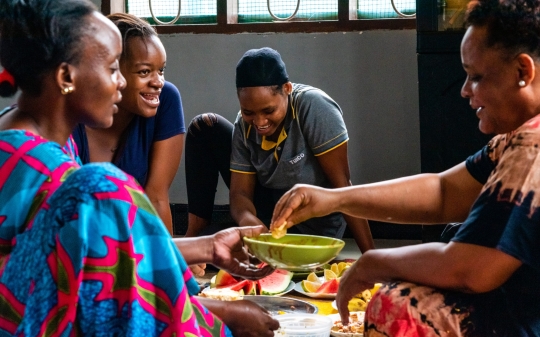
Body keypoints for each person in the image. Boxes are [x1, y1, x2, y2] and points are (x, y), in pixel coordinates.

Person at [0, 1, 279, 336]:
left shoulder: (32, 143)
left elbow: (100, 253)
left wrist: (208, 247)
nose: (121, 82)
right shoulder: (67, 180)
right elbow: (90, 286)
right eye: (113, 69)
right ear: (66, 76)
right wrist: (217, 315)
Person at [271, 0, 540, 335]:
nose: (465, 90)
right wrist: (334, 198)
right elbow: (443, 192)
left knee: (401, 305)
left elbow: (472, 269)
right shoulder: (515, 141)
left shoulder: (532, 146)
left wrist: (374, 263)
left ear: (523, 72)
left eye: (476, 77)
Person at [184, 47, 375, 253]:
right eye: (249, 112)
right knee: (206, 242)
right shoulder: (243, 125)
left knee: (230, 251)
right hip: (271, 214)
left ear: (287, 89)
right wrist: (250, 222)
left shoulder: (314, 107)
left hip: (314, 222)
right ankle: (192, 239)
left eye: (269, 111)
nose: (259, 122)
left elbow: (343, 187)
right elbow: (240, 193)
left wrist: (372, 256)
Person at [71, 13, 184, 235]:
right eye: (144, 72)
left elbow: (157, 197)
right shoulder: (69, 118)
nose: (157, 82)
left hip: (132, 240)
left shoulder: (166, 100)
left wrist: (170, 264)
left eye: (161, 70)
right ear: (110, 71)